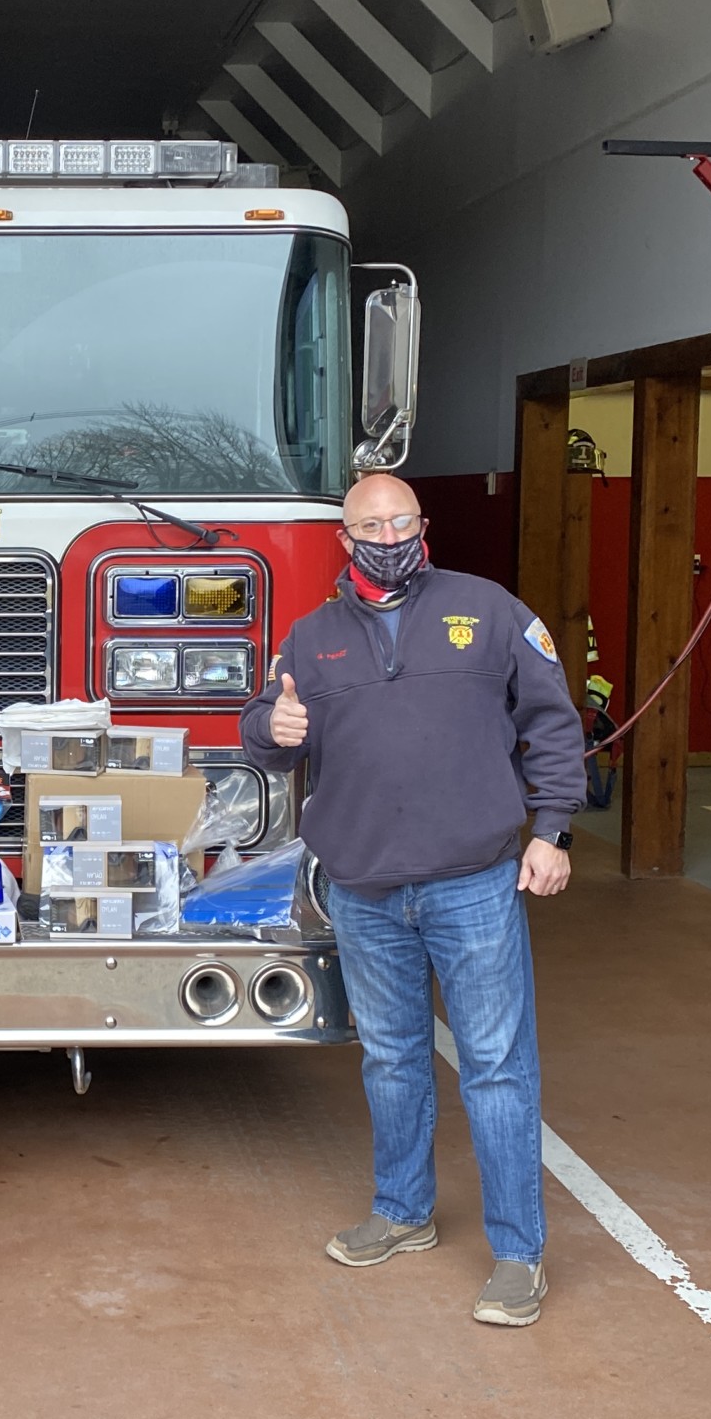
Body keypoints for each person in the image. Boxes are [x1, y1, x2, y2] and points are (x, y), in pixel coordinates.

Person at [239, 472, 586, 1329]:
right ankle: (403, 1212)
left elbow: (552, 722)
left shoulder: (490, 609)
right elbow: (269, 729)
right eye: (369, 523)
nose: (386, 533)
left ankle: (517, 1254)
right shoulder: (313, 637)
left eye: (400, 519)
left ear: (423, 525)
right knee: (391, 1061)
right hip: (364, 891)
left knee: (497, 1068)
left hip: (474, 882)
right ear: (344, 538)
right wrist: (268, 730)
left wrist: (553, 830)